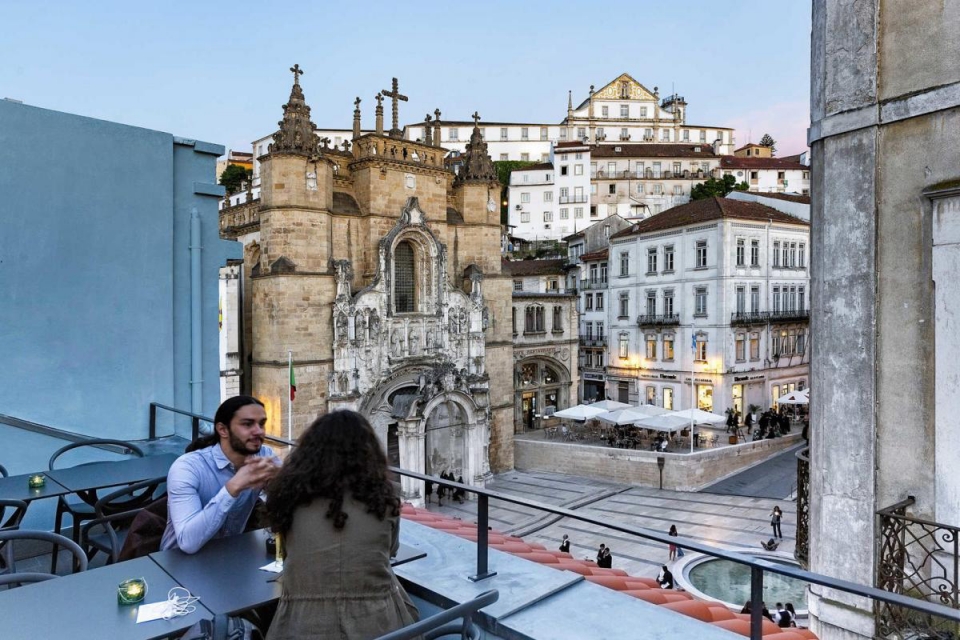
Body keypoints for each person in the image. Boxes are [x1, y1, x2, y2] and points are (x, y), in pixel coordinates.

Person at [264, 410, 419, 640]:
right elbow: (390, 550)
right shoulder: (385, 497)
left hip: (302, 623)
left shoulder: (289, 498)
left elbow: (289, 551)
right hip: (378, 622)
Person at [161, 395, 281, 554]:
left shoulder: (264, 456)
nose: (259, 431)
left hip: (230, 554)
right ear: (223, 430)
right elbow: (188, 542)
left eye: (261, 424)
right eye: (247, 424)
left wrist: (280, 485)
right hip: (177, 561)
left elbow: (294, 502)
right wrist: (233, 487)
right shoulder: (187, 467)